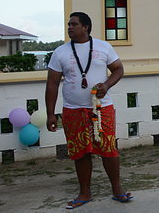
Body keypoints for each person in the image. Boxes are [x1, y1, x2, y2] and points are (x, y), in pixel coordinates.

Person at [45, 12, 132, 209]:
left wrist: (107, 85)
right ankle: (85, 192)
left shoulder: (103, 47)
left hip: (102, 109)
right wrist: (51, 113)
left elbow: (118, 69)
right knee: (80, 152)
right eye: (69, 24)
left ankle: (117, 190)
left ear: (86, 27)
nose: (69, 27)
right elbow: (52, 84)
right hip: (73, 111)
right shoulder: (60, 52)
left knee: (109, 149)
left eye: (74, 24)